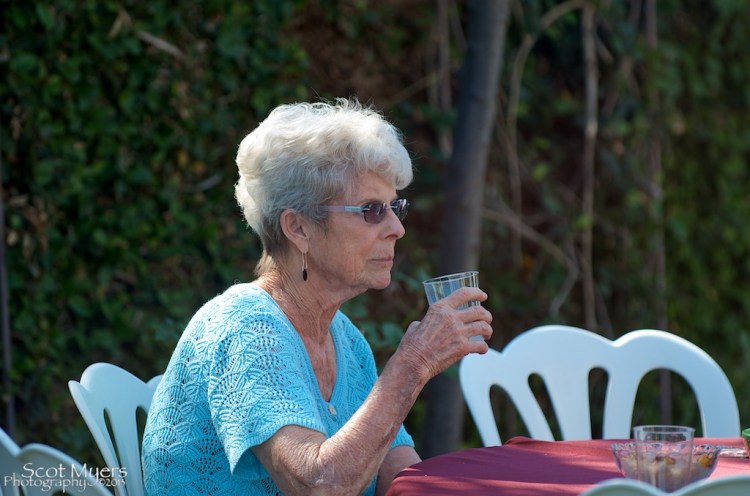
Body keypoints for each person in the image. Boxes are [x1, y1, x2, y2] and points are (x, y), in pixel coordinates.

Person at [141, 98, 493, 496]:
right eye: (372, 210)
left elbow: (397, 471)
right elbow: (320, 485)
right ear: (299, 228)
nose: (397, 228)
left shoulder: (345, 339)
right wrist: (414, 363)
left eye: (395, 207)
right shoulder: (244, 328)